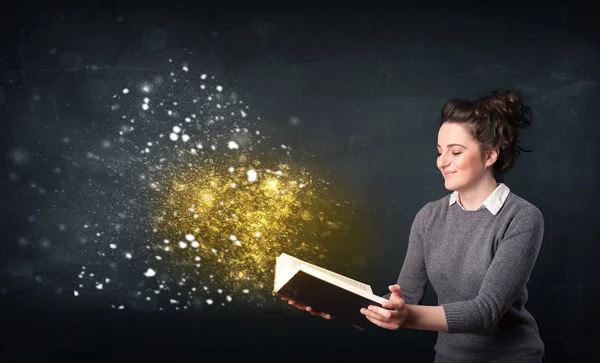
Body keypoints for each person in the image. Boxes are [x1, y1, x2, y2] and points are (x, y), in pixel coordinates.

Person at [282, 90, 547, 363]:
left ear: (490, 155)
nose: (442, 162)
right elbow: (404, 297)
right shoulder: (429, 216)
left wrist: (405, 316)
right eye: (439, 151)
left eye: (455, 152)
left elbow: (485, 313)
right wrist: (336, 303)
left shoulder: (522, 217)